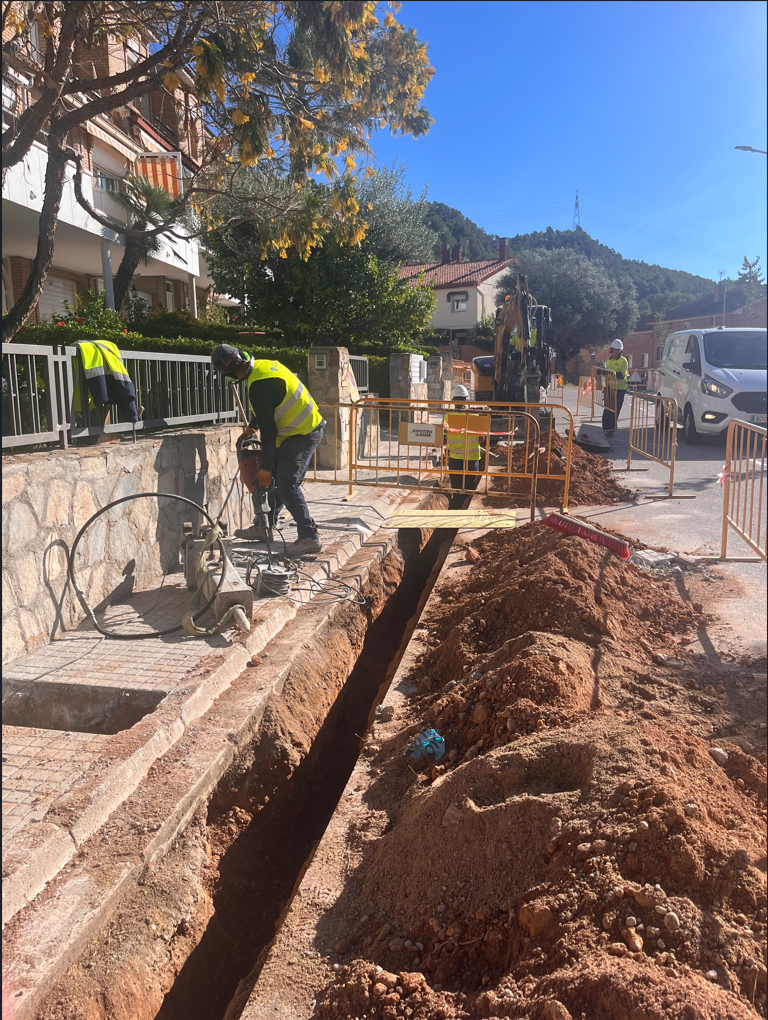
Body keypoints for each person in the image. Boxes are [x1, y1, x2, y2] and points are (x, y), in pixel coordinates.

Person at [211, 344, 325, 557]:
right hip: (297, 431)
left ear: (229, 373)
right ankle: (265, 527)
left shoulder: (257, 387)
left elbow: (270, 433)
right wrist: (253, 425)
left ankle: (310, 537)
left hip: (302, 433)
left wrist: (264, 468)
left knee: (287, 484)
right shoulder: (265, 367)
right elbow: (272, 404)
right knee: (278, 480)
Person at [445, 384, 483, 505]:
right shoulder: (474, 416)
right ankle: (463, 507)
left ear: (452, 400)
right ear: (465, 399)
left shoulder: (447, 416)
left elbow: (443, 436)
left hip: (455, 459)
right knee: (469, 490)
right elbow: (481, 439)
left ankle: (455, 506)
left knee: (456, 488)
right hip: (471, 460)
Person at [602, 339, 629, 434]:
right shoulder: (609, 361)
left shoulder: (623, 361)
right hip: (609, 388)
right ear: (612, 350)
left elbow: (622, 375)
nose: (616, 352)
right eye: (615, 350)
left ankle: (610, 430)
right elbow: (606, 372)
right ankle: (605, 428)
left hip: (620, 389)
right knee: (607, 408)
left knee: (615, 410)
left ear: (620, 351)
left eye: (618, 350)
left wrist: (611, 374)